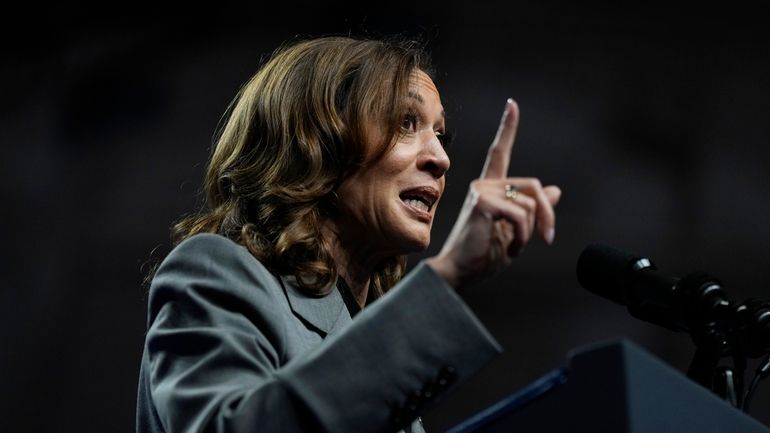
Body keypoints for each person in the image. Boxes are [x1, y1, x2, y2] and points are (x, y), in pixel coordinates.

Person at [136, 35, 561, 433]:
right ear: (316, 142)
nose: (441, 158)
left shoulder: (378, 347)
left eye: (440, 134)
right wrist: (447, 276)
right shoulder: (214, 272)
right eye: (405, 122)